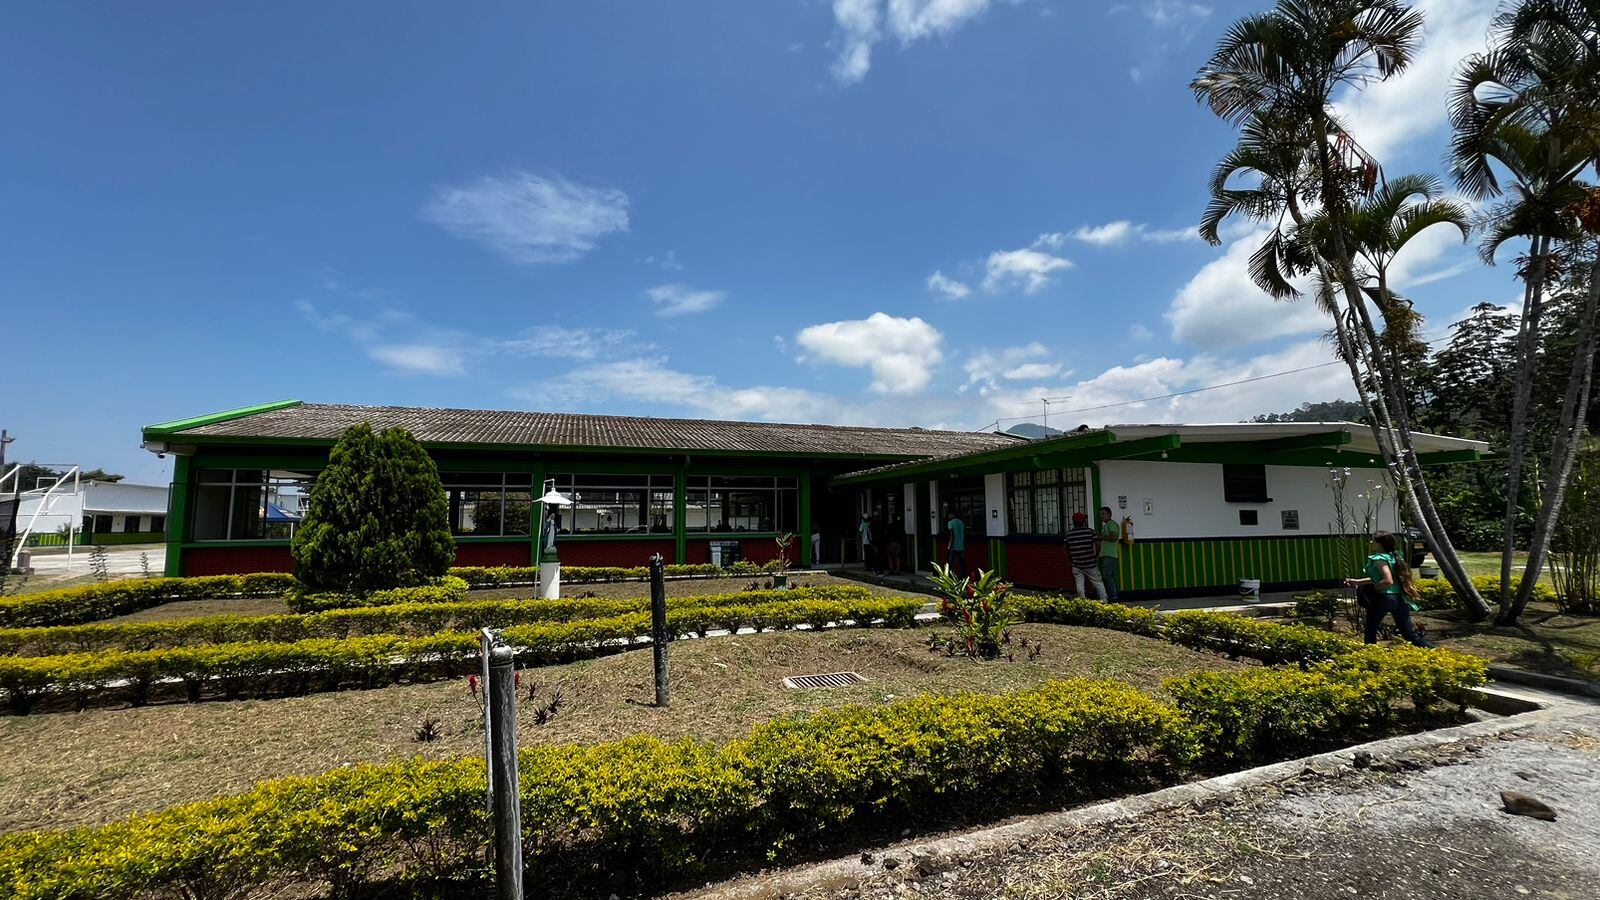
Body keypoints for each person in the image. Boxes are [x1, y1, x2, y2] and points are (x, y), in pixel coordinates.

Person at [1344, 530, 1434, 648]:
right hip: (1399, 598)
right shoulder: (1393, 557)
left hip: (1384, 598)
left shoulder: (1379, 559)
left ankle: (1370, 656)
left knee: (1370, 629)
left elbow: (1388, 580)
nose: (1371, 542)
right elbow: (1383, 578)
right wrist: (1358, 582)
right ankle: (1433, 650)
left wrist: (1375, 588)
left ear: (1380, 544)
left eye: (1373, 540)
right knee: (1408, 634)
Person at [1064, 512, 1106, 599]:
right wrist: (1096, 555)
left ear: (1073, 522)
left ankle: (1082, 602)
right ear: (1084, 521)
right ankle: (1104, 600)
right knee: (1098, 583)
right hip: (1090, 563)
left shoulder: (1069, 534)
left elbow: (1065, 548)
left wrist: (1069, 559)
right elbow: (1098, 544)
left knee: (1079, 585)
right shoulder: (1090, 532)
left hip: (1076, 564)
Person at [1096, 506, 1122, 601]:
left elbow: (1114, 537)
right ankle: (1111, 595)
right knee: (1106, 575)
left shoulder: (1111, 524)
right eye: (1100, 514)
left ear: (1109, 514)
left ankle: (1113, 596)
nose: (1101, 516)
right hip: (1104, 553)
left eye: (1103, 514)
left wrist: (1101, 537)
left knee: (1107, 575)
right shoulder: (1105, 526)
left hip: (1109, 554)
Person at [945, 506, 967, 578]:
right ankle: (964, 576)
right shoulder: (961, 522)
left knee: (950, 563)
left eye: (949, 514)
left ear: (952, 514)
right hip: (961, 546)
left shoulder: (951, 523)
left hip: (954, 546)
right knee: (962, 563)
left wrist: (950, 545)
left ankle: (948, 577)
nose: (948, 516)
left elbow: (952, 534)